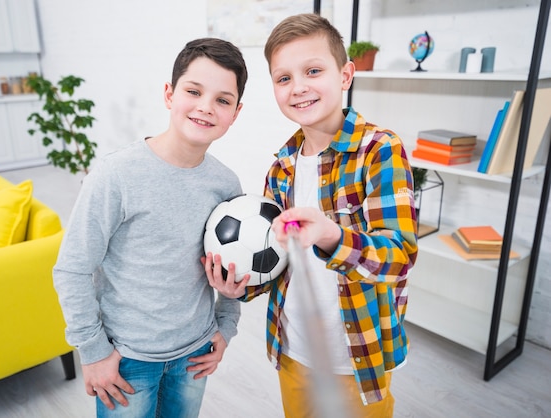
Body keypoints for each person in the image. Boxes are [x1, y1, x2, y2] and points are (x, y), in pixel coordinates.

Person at [205, 14, 418, 417]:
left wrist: (332, 237)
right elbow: (273, 259)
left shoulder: (379, 151)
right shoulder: (281, 166)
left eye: (313, 71)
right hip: (293, 348)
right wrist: (240, 287)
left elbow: (399, 256)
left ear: (345, 74)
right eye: (283, 78)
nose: (298, 87)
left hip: (358, 356)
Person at [53, 37, 248, 418]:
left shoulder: (226, 184)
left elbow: (236, 268)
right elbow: (71, 268)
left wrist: (225, 326)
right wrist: (94, 353)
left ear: (236, 112)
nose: (206, 107)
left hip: (196, 353)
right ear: (169, 94)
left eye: (223, 100)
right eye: (194, 91)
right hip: (126, 360)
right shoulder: (117, 175)